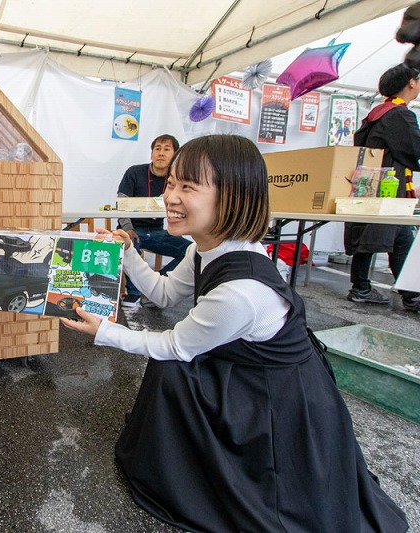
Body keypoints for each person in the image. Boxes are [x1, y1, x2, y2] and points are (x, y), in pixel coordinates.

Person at [62, 135, 408, 532]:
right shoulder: (204, 248)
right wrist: (127, 254)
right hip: (244, 367)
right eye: (171, 183)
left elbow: (174, 345)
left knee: (171, 366)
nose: (170, 197)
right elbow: (163, 293)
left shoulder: (239, 293)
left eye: (188, 186)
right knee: (170, 372)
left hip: (279, 400)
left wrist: (104, 331)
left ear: (232, 196)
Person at [345, 63, 420, 311]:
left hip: (370, 184)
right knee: (395, 236)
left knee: (390, 236)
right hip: (389, 187)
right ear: (411, 83)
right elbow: (414, 150)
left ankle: (373, 288)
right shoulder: (399, 115)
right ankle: (370, 289)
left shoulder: (377, 113)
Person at [117, 134, 190, 307]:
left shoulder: (177, 180)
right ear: (151, 153)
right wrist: (127, 228)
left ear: (175, 155)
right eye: (157, 149)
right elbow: (121, 203)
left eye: (167, 149)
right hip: (133, 228)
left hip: (158, 231)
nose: (161, 153)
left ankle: (157, 285)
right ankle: (134, 293)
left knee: (190, 251)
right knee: (130, 243)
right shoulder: (134, 172)